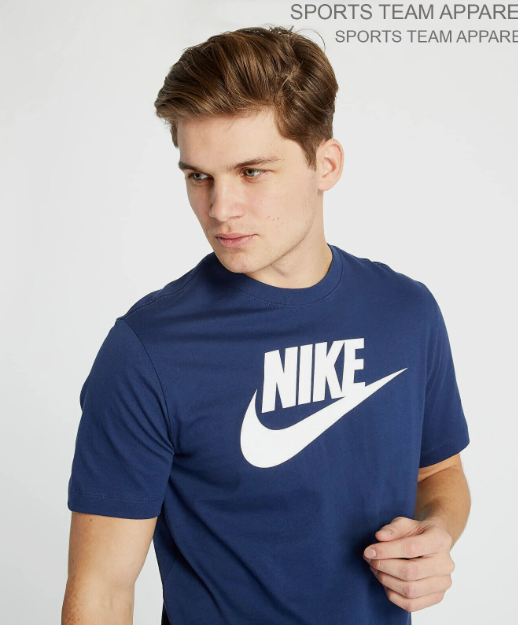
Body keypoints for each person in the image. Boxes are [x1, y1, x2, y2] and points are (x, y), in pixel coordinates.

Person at [62, 25, 471, 625]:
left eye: (251, 172)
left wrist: (436, 532)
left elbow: (439, 472)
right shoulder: (149, 351)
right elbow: (101, 591)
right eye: (198, 176)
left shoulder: (406, 313)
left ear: (325, 164)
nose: (220, 208)